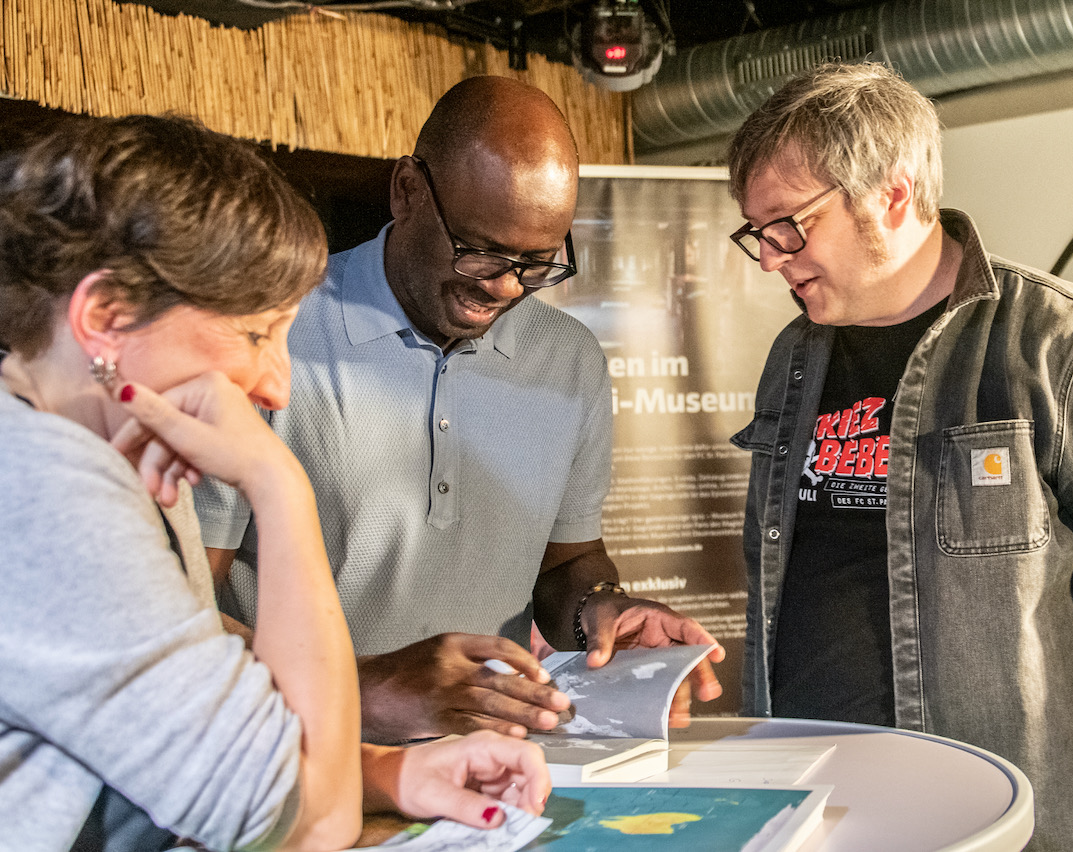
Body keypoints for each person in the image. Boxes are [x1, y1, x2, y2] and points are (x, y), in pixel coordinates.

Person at [0, 113, 549, 851]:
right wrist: (280, 489)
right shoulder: (47, 497)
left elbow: (194, 742)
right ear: (105, 315)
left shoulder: (84, 452)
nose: (275, 386)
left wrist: (387, 773)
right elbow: (309, 827)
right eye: (256, 334)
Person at [726, 62, 1073, 851]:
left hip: (1006, 833)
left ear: (892, 195)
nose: (768, 256)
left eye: (788, 224)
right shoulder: (793, 358)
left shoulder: (1068, 350)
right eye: (757, 231)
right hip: (811, 819)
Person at [195, 75, 724, 745]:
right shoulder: (272, 331)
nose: (505, 285)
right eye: (480, 249)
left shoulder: (570, 360)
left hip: (488, 779)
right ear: (408, 191)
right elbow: (177, 611)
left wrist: (603, 612)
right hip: (288, 767)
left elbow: (566, 564)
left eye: (536, 264)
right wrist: (363, 689)